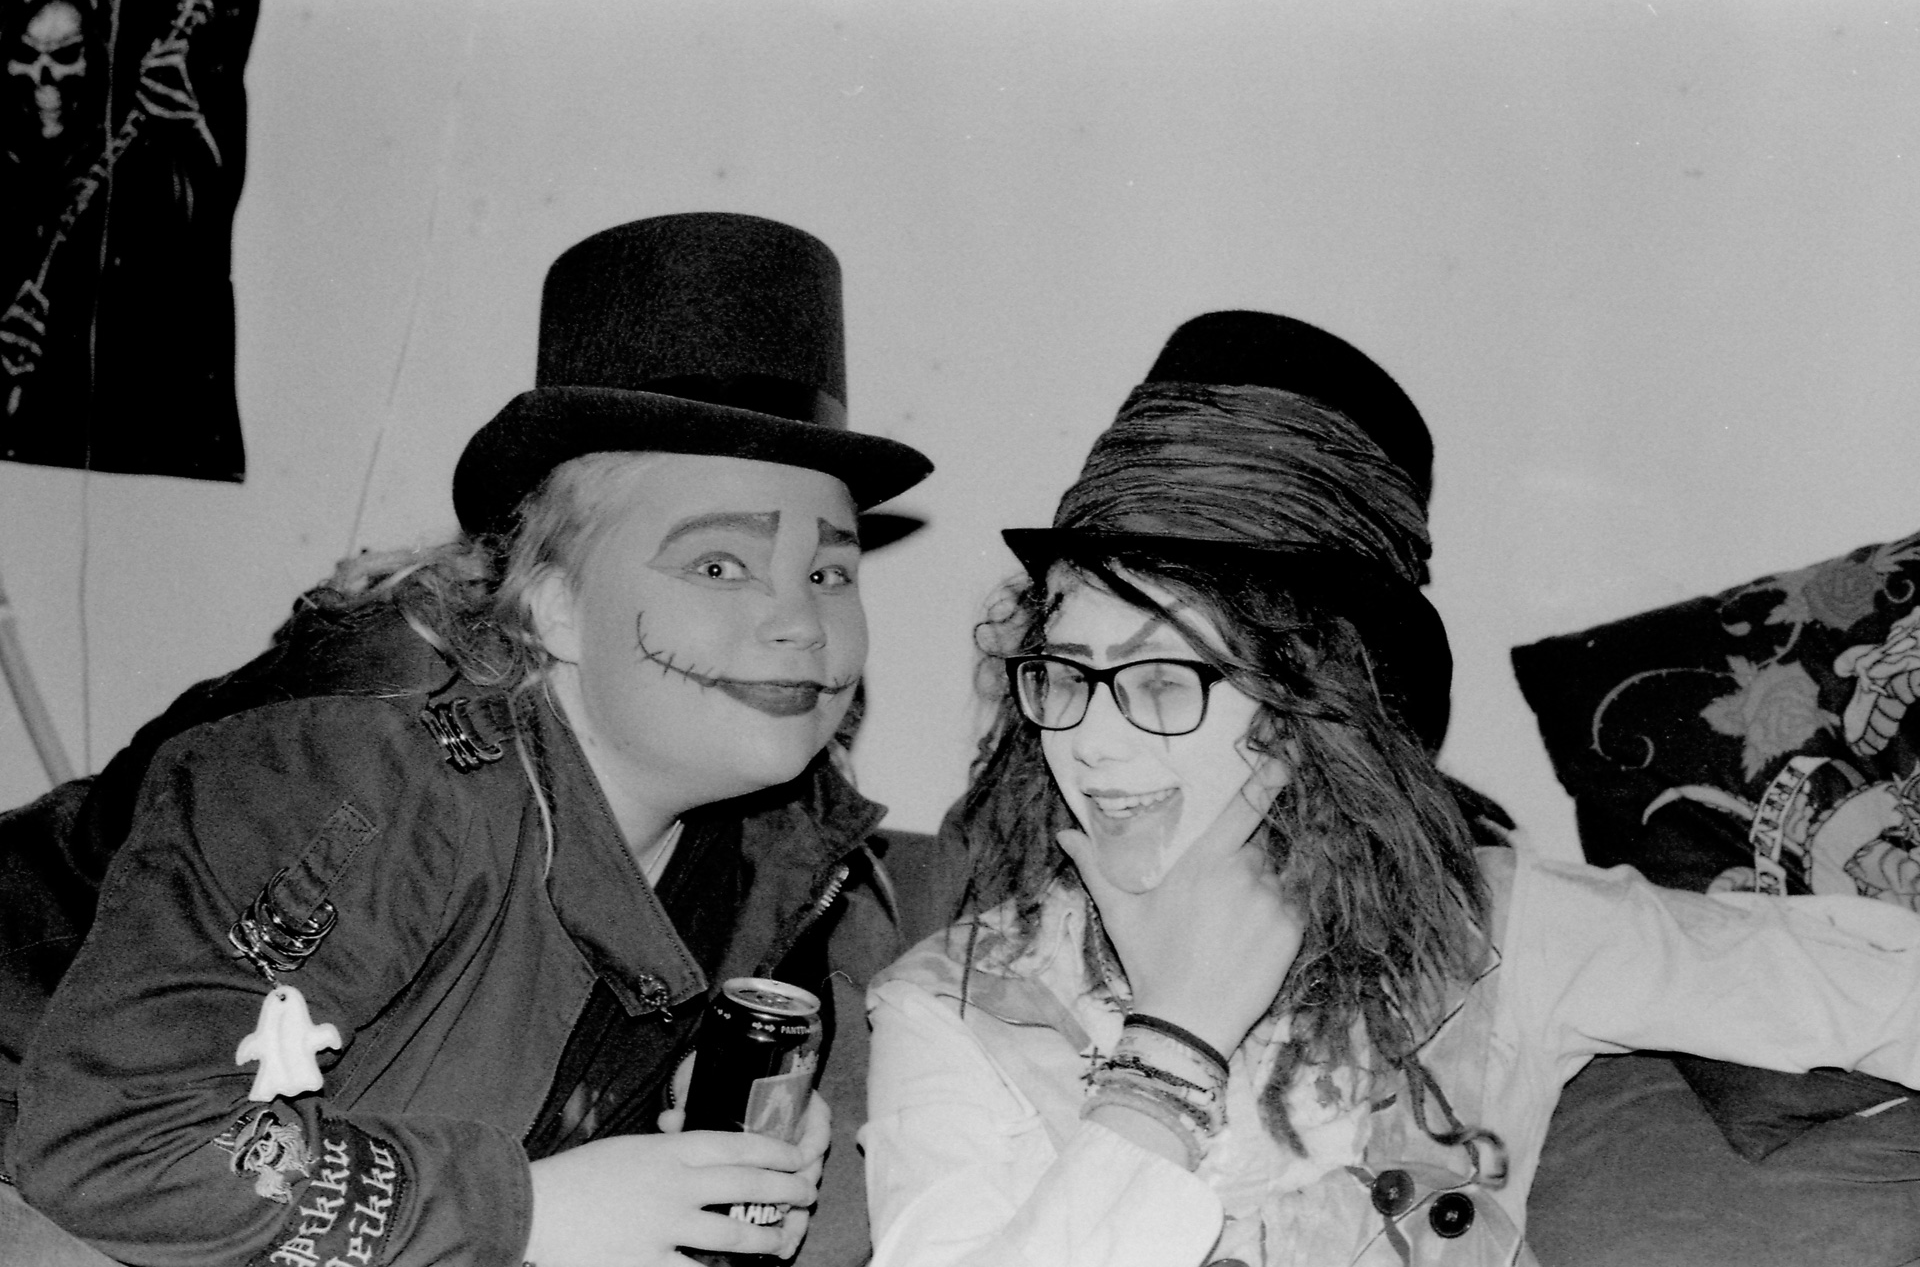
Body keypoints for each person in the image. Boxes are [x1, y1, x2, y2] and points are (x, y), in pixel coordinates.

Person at [860, 311, 1920, 1266]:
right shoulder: (956, 1001)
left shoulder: (1497, 927)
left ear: (1311, 700)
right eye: (1066, 673)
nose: (1088, 743)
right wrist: (1171, 1049)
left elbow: (1866, 989)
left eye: (1159, 679)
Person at [3, 212, 933, 1267]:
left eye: (831, 571)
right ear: (552, 602)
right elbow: (115, 1146)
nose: (799, 621)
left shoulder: (791, 851)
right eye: (718, 564)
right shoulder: (362, 776)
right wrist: (531, 1211)